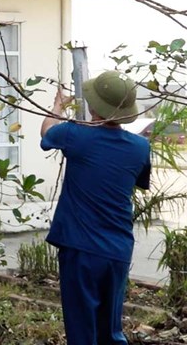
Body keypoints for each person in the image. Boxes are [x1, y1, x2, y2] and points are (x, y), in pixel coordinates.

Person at [40, 71, 151, 344]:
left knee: (82, 332)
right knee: (110, 332)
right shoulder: (140, 147)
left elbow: (46, 132)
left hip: (81, 250)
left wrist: (58, 106)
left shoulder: (75, 135)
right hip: (118, 251)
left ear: (93, 107)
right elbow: (137, 180)